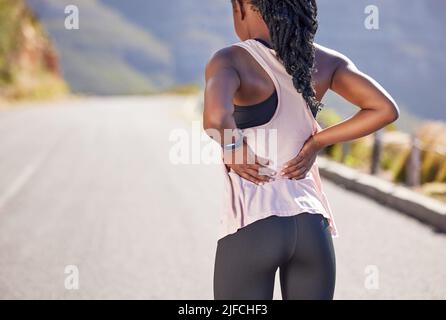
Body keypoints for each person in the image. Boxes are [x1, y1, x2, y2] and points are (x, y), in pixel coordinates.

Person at [202, 0, 399, 300]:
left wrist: (234, 148)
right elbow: (384, 109)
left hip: (253, 227)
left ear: (241, 8)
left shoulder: (230, 59)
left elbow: (215, 118)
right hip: (312, 227)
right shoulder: (325, 62)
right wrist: (318, 142)